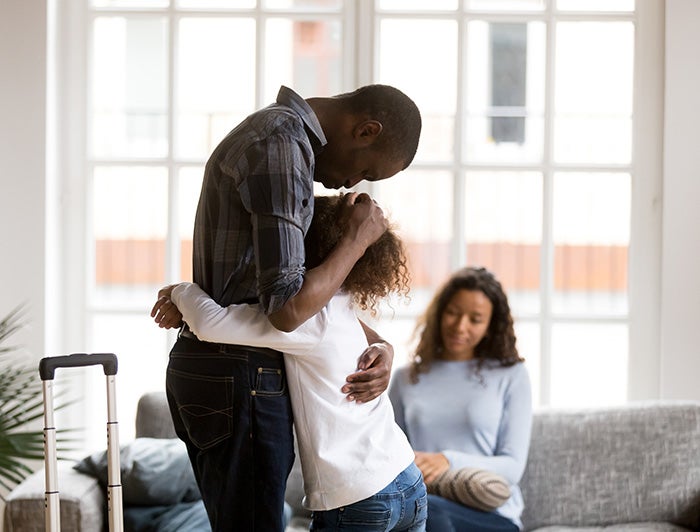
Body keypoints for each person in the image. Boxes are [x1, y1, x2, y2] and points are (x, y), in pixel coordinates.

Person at [151, 84, 422, 531]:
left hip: (235, 364)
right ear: (365, 130)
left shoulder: (283, 143)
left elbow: (322, 312)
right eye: (366, 170)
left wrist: (382, 344)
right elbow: (288, 308)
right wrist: (357, 240)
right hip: (238, 371)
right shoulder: (280, 146)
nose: (352, 185)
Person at [388, 266, 532, 532]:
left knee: (430, 513)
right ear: (440, 312)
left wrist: (448, 460)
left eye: (475, 319)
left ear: (490, 326)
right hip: (425, 501)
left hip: (492, 515)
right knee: (417, 511)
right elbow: (389, 453)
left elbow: (513, 467)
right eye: (453, 313)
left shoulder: (511, 375)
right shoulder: (406, 377)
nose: (460, 326)